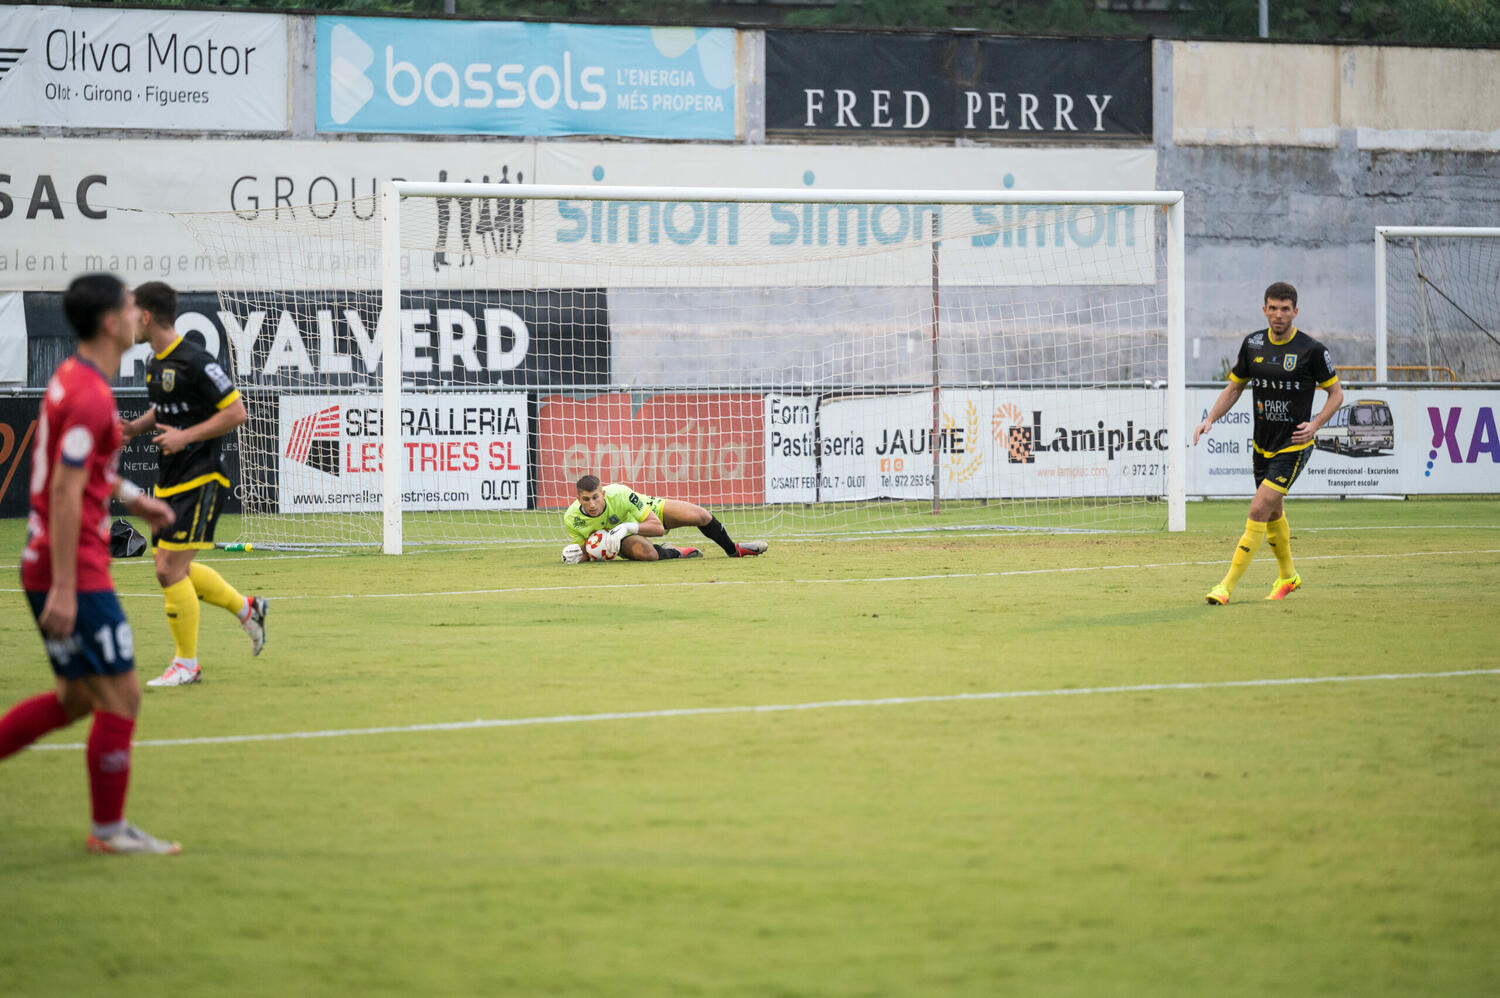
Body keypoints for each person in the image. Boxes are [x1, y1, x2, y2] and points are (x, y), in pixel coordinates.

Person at [0, 273, 181, 855]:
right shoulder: (89, 395)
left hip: (53, 563)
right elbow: (63, 489)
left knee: (76, 699)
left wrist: (134, 500)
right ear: (110, 322)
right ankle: (109, 831)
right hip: (71, 569)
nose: (137, 314)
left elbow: (87, 472)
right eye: (129, 306)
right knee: (122, 695)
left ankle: (109, 828)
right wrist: (64, 588)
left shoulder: (75, 380)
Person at [119, 281, 266, 687]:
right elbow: (163, 409)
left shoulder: (197, 361)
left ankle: (187, 664)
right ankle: (247, 609)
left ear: (146, 316)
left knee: (169, 569)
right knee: (170, 567)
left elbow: (237, 412)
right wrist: (134, 428)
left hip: (201, 476)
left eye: (131, 313)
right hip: (170, 478)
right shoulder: (155, 362)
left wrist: (185, 437)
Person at [1194, 281, 1343, 605]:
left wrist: (1315, 425)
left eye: (1285, 309)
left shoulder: (1312, 350)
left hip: (1294, 444)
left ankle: (1225, 586)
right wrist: (1210, 419)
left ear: (1295, 312)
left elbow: (1336, 394)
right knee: (1273, 512)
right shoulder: (1253, 344)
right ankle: (1288, 576)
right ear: (1264, 309)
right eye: (1273, 308)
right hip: (1262, 444)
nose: (1278, 315)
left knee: (1259, 507)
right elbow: (1234, 388)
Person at [560, 475, 768, 563]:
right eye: (586, 500)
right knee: (648, 554)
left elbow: (657, 528)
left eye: (595, 498)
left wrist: (627, 527)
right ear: (578, 499)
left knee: (701, 515)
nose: (592, 504)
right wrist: (575, 556)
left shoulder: (621, 494)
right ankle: (676, 552)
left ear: (603, 494)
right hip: (619, 540)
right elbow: (586, 551)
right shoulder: (572, 518)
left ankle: (734, 550)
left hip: (643, 515)